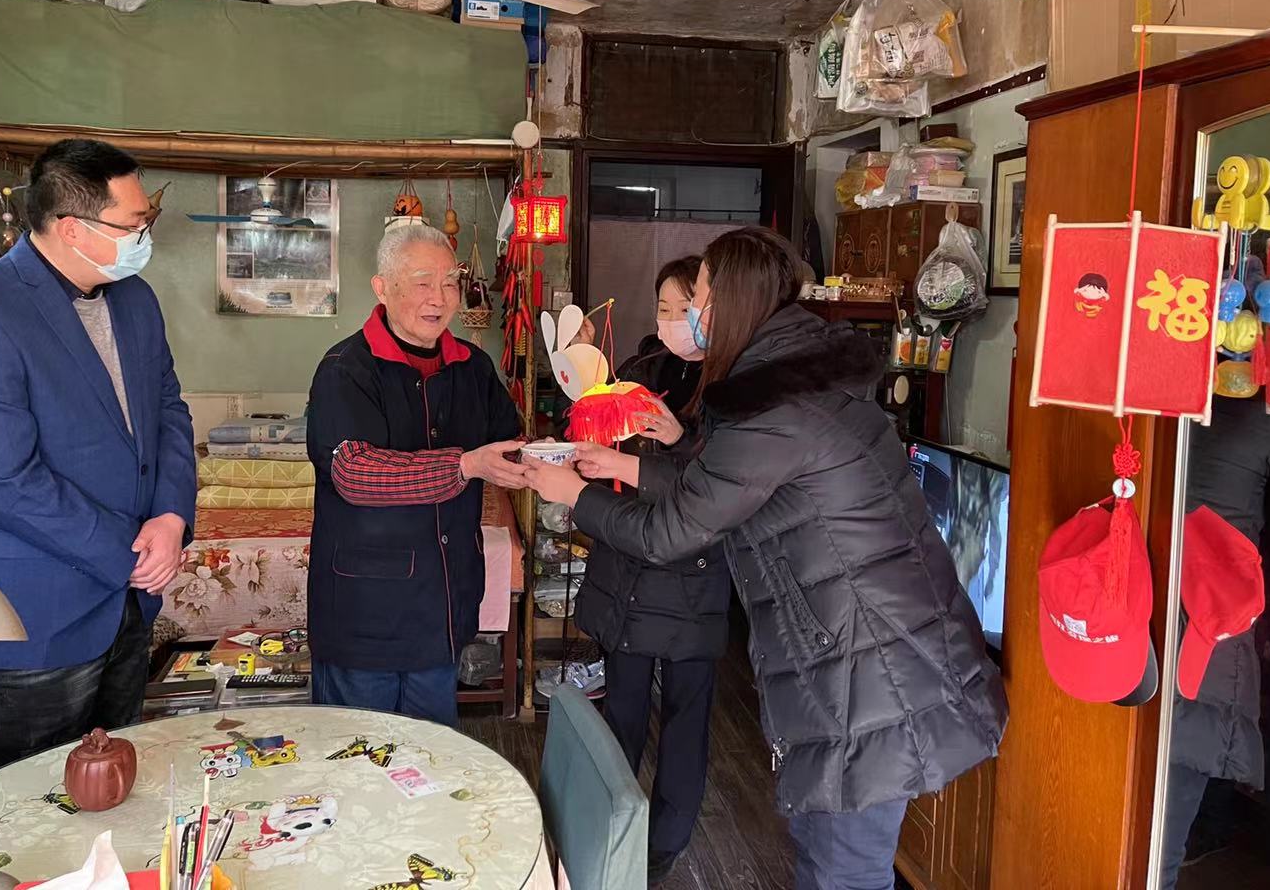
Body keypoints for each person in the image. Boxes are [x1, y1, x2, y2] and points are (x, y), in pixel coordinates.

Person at [524, 226, 1007, 890]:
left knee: (841, 870)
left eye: (696, 297)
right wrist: (621, 468)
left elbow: (674, 531)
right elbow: (719, 487)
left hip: (868, 676)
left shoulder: (774, 409)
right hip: (869, 658)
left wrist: (575, 494)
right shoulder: (790, 386)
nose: (689, 313)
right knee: (827, 854)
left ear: (728, 302)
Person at [0, 139, 195, 776]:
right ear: (73, 228)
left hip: (128, 604)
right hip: (35, 612)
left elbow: (168, 410)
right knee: (29, 796)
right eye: (135, 223)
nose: (145, 235)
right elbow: (3, 481)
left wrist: (171, 516)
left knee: (118, 776)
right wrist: (129, 554)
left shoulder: (134, 299)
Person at [305, 223, 528, 726]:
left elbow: (507, 443)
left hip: (443, 609)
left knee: (432, 756)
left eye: (450, 282)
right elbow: (355, 472)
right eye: (423, 282)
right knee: (357, 757)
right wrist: (465, 465)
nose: (439, 298)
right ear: (383, 288)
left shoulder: (472, 366)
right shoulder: (345, 369)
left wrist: (558, 452)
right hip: (365, 617)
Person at [572, 256, 728, 884]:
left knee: (687, 718)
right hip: (629, 567)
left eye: (685, 308)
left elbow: (722, 488)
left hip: (692, 578)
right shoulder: (640, 371)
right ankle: (608, 830)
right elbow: (595, 428)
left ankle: (663, 848)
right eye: (664, 308)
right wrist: (583, 371)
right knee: (623, 711)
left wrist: (678, 439)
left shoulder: (735, 385)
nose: (673, 320)